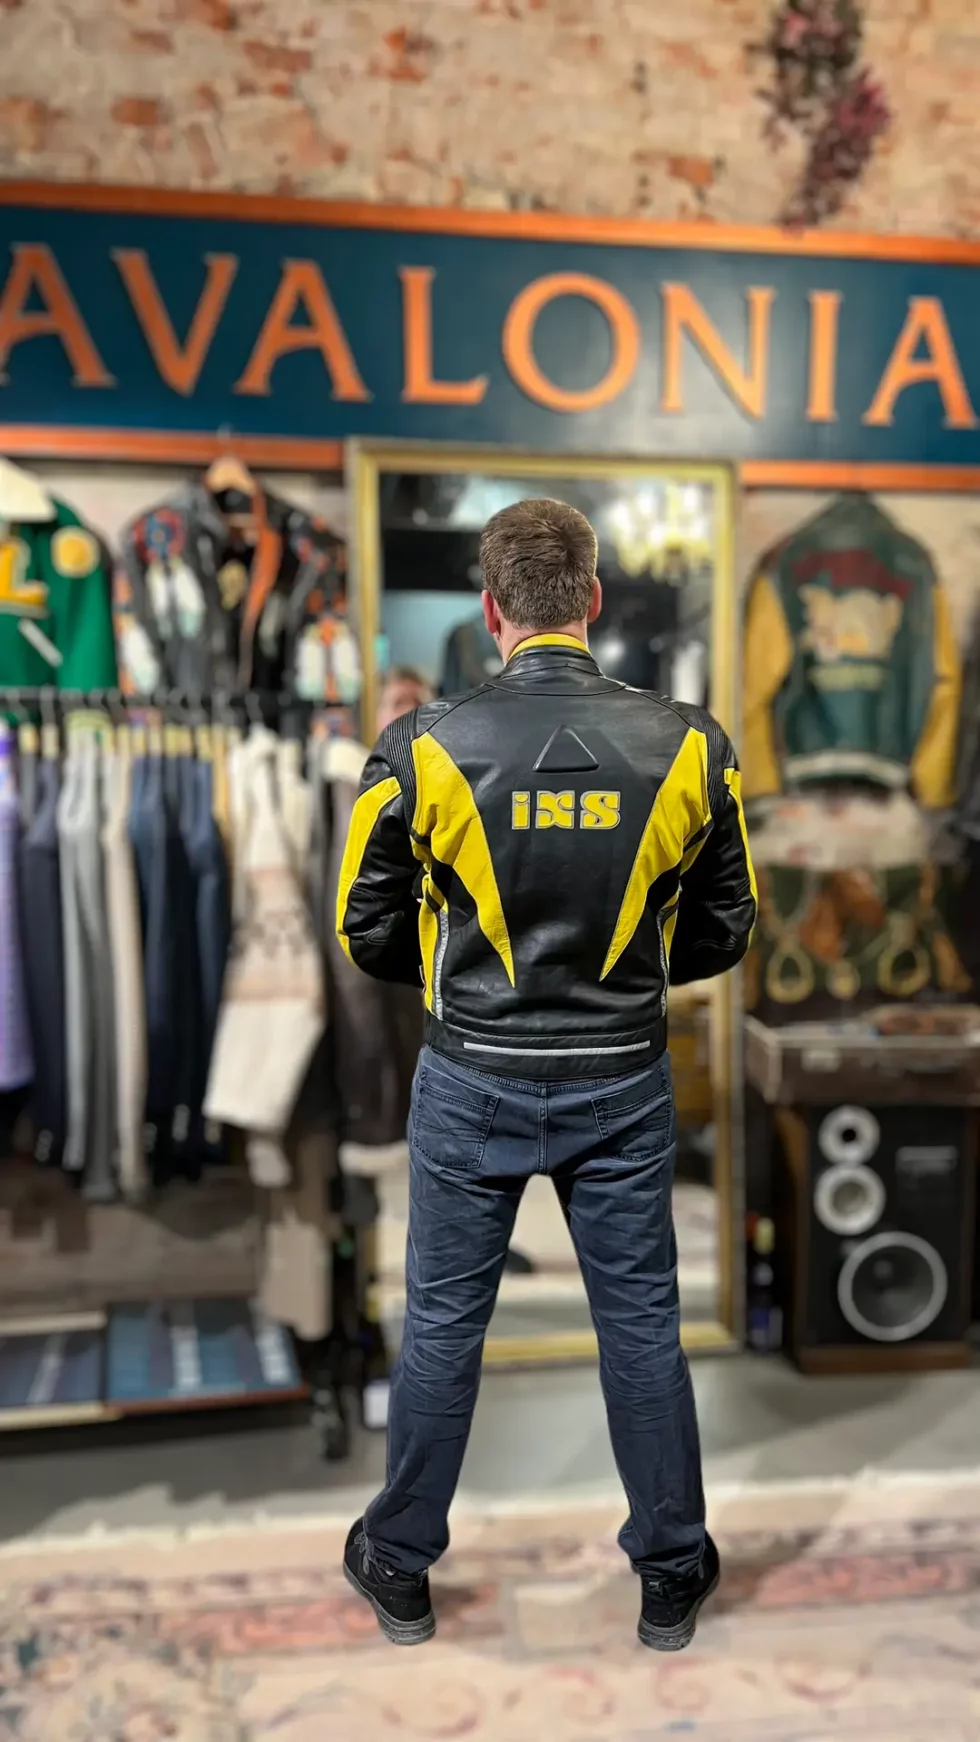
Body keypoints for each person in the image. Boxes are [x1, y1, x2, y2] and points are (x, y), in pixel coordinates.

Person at [336, 497, 757, 1652]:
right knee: (642, 1327)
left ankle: (398, 1562)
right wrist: (626, 974)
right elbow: (727, 926)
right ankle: (670, 1569)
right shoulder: (690, 746)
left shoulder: (418, 748)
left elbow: (363, 928)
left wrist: (462, 979)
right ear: (592, 599)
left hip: (470, 1071)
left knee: (441, 1326)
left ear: (491, 610)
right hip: (621, 1073)